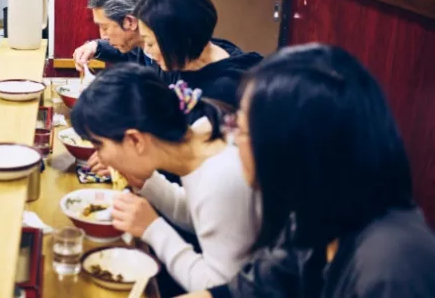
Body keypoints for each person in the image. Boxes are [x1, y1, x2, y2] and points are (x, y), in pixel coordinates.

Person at [180, 44, 435, 298]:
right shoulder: (316, 214)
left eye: (241, 129)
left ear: (292, 145)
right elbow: (244, 291)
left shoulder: (391, 268)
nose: (232, 139)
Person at [71, 64, 259, 295]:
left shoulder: (221, 179)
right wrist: (148, 184)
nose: (99, 156)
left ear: (135, 140)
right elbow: (199, 216)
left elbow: (219, 289)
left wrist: (152, 229)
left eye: (99, 145)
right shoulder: (201, 134)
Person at [135, 0, 262, 108]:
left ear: (177, 40)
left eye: (150, 43)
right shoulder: (179, 61)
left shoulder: (225, 90)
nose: (147, 50)